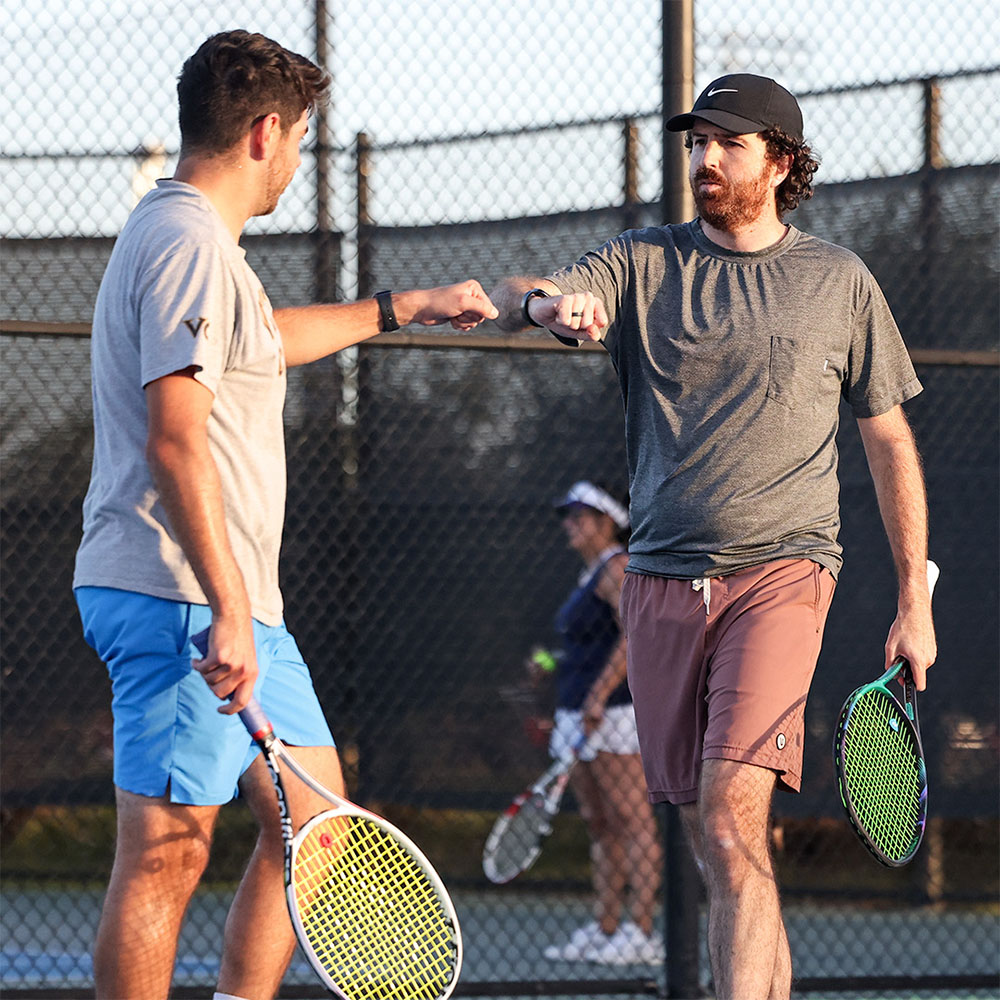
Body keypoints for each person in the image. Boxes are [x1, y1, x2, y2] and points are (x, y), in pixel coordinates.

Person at [490, 74, 936, 998]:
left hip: (783, 574)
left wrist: (912, 599)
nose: (704, 159)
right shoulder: (644, 263)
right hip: (660, 586)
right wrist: (548, 307)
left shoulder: (839, 281)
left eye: (727, 144)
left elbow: (889, 440)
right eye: (696, 143)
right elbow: (534, 290)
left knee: (732, 824)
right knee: (718, 842)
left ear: (779, 161)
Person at [72, 30, 497, 1000]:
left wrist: (406, 305)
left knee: (322, 824)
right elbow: (174, 437)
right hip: (181, 592)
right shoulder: (184, 241)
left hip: (230, 600)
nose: (297, 163)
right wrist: (224, 604)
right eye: (299, 140)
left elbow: (264, 341)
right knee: (167, 855)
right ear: (266, 132)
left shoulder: (200, 247)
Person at [531, 481, 663, 965]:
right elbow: (585, 644)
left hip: (612, 713)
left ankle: (642, 933)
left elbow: (636, 637)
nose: (570, 524)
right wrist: (547, 665)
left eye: (579, 516)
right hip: (576, 713)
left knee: (634, 822)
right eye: (567, 516)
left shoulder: (617, 567)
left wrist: (598, 696)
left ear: (607, 521)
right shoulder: (588, 575)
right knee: (600, 823)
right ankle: (607, 928)